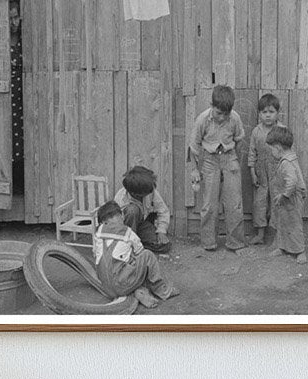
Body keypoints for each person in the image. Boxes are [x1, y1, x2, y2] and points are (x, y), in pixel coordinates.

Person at [188, 84, 246, 252]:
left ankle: (235, 242)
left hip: (229, 157)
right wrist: (194, 169)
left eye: (225, 114)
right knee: (209, 204)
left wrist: (235, 162)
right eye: (219, 113)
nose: (222, 117)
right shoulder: (202, 120)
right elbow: (193, 146)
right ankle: (208, 242)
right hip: (209, 160)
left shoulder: (234, 118)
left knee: (234, 203)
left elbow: (240, 139)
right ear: (212, 105)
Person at [93, 201, 178, 308]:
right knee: (147, 256)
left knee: (120, 261)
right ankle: (162, 291)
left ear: (103, 222)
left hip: (105, 287)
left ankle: (139, 292)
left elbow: (96, 254)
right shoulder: (127, 232)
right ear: (122, 216)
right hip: (122, 285)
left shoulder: (98, 233)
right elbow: (140, 252)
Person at [266, 125, 307, 263]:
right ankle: (283, 247)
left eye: (271, 148)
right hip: (286, 198)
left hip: (291, 198)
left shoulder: (286, 163)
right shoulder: (288, 158)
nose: (271, 151)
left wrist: (284, 195)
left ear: (278, 148)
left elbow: (292, 182)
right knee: (283, 222)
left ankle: (300, 251)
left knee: (294, 224)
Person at [247, 92, 281, 245]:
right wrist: (252, 172)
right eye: (264, 112)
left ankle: (276, 235)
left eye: (271, 112)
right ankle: (260, 234)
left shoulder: (281, 130)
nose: (268, 116)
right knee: (260, 202)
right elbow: (252, 153)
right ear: (259, 114)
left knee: (276, 201)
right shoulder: (256, 131)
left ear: (277, 113)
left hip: (277, 171)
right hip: (261, 172)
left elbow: (288, 151)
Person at [114, 165, 171, 253]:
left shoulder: (150, 192)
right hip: (125, 230)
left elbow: (163, 211)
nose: (150, 193)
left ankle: (138, 245)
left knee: (164, 246)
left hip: (141, 225)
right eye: (146, 193)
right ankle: (129, 245)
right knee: (132, 210)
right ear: (135, 193)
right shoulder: (120, 199)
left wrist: (161, 231)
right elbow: (116, 225)